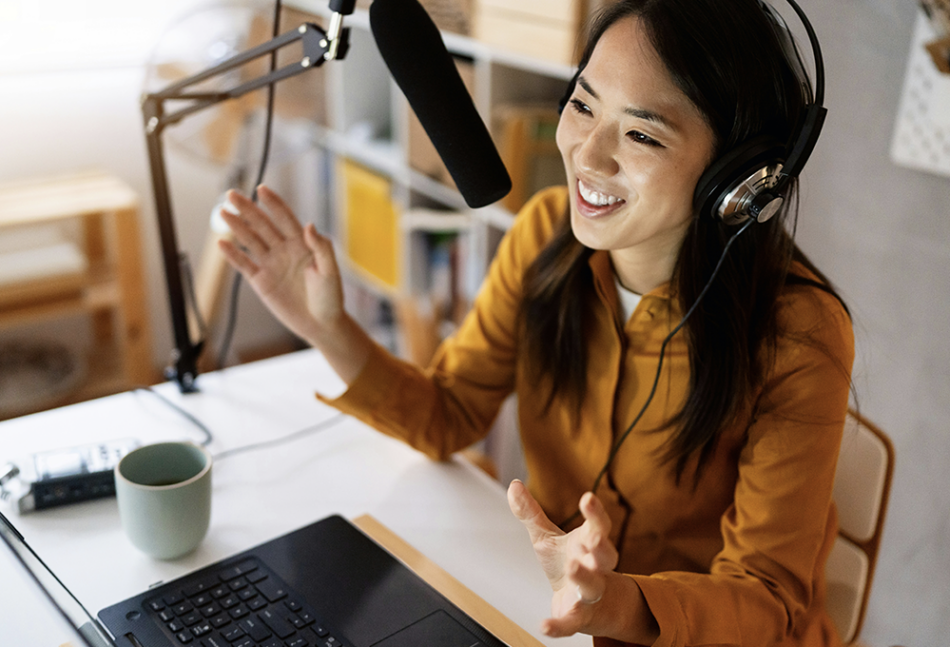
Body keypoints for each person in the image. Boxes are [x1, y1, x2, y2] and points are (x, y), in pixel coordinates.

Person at [217, 0, 854, 645]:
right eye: (582, 105)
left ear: (740, 179)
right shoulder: (543, 234)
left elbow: (767, 598)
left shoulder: (800, 335)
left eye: (642, 134)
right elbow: (450, 413)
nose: (588, 155)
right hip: (544, 609)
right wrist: (329, 326)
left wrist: (617, 603)